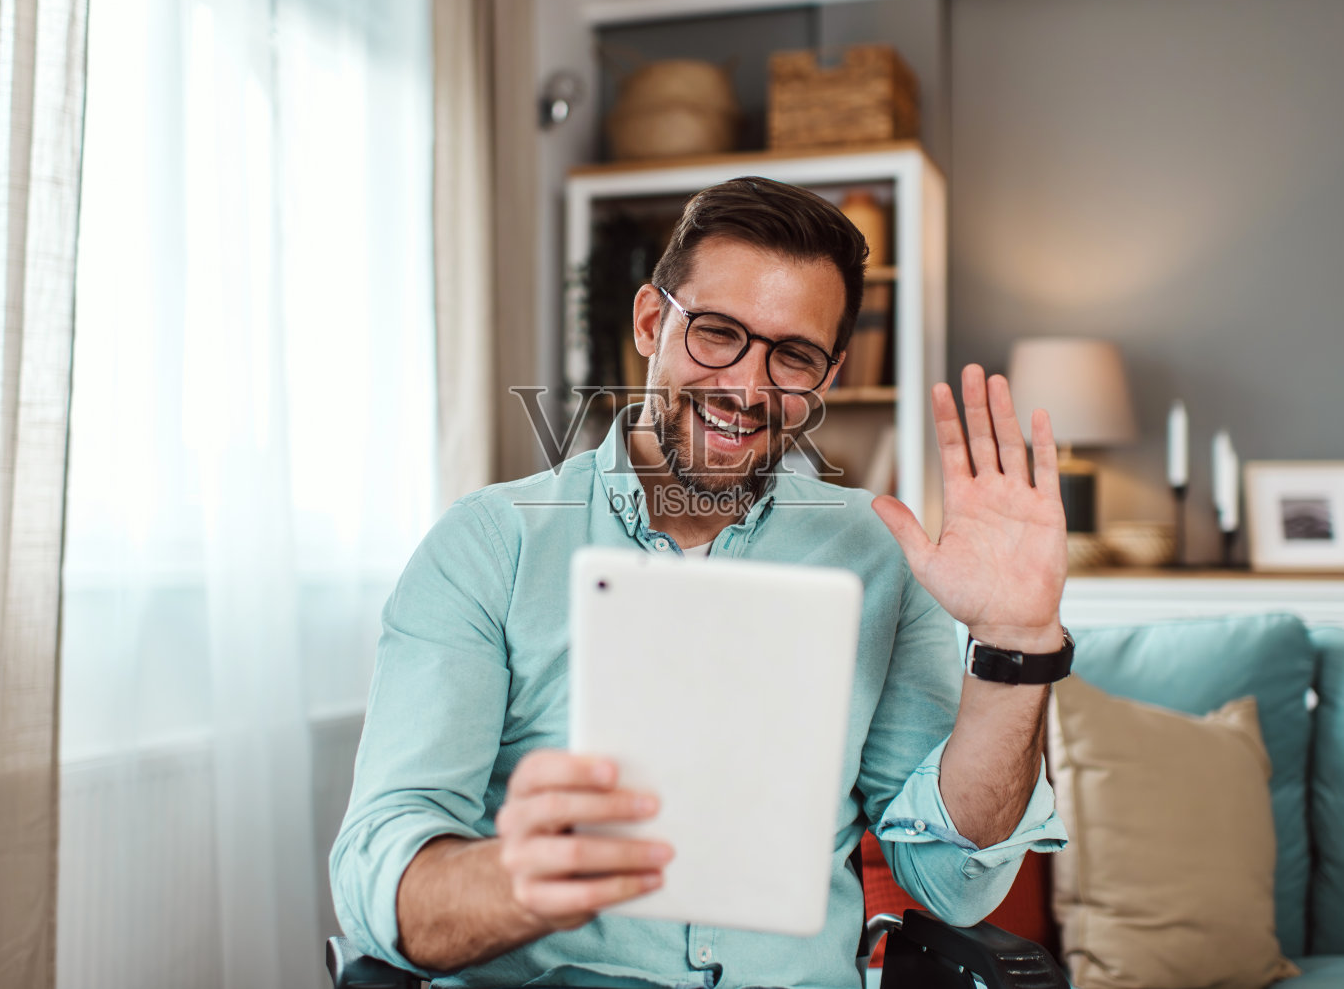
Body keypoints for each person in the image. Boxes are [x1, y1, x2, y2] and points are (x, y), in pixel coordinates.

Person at [330, 177, 1071, 989]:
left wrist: (1014, 647)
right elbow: (378, 880)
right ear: (652, 322)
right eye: (717, 334)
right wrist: (525, 878)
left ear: (827, 375)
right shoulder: (489, 544)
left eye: (793, 354)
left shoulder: (880, 551)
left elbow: (952, 883)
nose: (749, 390)